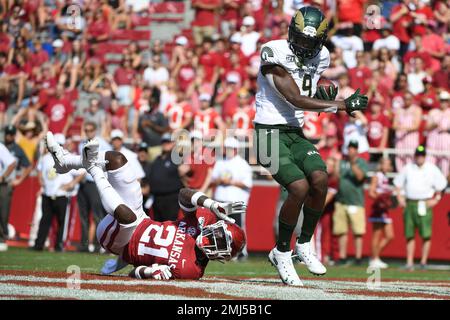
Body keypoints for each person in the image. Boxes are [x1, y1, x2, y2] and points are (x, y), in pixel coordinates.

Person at [254, 6, 368, 286]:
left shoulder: (323, 56)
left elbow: (305, 91)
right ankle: (282, 251)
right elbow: (293, 97)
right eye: (300, 39)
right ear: (291, 32)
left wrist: (321, 93)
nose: (305, 45)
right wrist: (340, 104)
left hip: (295, 131)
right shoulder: (273, 50)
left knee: (319, 179)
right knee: (298, 187)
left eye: (310, 41)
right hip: (267, 133)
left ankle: (304, 243)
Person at [44, 132, 246, 280]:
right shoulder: (204, 221)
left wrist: (150, 271)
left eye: (220, 241)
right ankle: (66, 161)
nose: (213, 236)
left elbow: (136, 272)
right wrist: (210, 203)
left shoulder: (190, 270)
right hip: (141, 219)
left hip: (121, 242)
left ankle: (92, 169)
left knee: (127, 217)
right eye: (218, 232)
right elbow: (184, 195)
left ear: (224, 255)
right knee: (117, 160)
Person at [394, 145, 447, 270]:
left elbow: (442, 185)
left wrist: (436, 199)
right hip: (410, 203)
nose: (420, 157)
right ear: (415, 155)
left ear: (425, 156)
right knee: (409, 234)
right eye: (418, 155)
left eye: (422, 155)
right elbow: (397, 183)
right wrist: (400, 198)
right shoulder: (408, 168)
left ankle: (423, 261)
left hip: (425, 203)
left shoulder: (431, 169)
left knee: (426, 234)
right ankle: (409, 262)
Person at [33, 134, 83, 252]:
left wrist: (70, 184)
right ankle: (39, 244)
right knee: (45, 220)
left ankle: (59, 245)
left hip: (61, 195)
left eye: (59, 145)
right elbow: (39, 170)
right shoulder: (45, 158)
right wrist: (41, 181)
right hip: (47, 193)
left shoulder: (67, 157)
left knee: (62, 222)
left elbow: (82, 171)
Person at [210, 137, 253, 258]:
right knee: (219, 227)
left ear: (235, 150)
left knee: (237, 227)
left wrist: (230, 182)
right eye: (227, 148)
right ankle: (221, 251)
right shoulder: (220, 162)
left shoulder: (242, 164)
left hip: (236, 200)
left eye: (231, 149)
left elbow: (247, 183)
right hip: (220, 199)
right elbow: (212, 180)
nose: (228, 151)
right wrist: (220, 180)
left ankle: (240, 252)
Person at [77, 121, 111, 252]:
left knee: (97, 215)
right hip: (84, 183)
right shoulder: (82, 144)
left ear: (95, 131)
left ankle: (99, 245)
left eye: (90, 130)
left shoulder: (102, 144)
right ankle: (84, 244)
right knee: (83, 216)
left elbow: (108, 161)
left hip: (95, 182)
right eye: (86, 130)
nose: (88, 133)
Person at [333, 140, 368, 266]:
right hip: (341, 201)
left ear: (357, 150)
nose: (351, 150)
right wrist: (336, 163)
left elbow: (360, 177)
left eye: (353, 148)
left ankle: (358, 257)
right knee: (341, 230)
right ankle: (342, 256)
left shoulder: (361, 162)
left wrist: (353, 164)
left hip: (356, 202)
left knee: (358, 232)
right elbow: (336, 177)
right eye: (349, 148)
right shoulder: (342, 162)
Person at [148, 133, 190, 222]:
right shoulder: (157, 159)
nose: (166, 144)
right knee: (158, 225)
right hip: (157, 198)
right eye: (164, 142)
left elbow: (187, 169)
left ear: (173, 143)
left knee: (170, 224)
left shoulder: (177, 157)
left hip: (171, 199)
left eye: (168, 142)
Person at [368, 157, 394, 269]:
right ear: (381, 165)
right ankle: (374, 259)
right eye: (385, 164)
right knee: (376, 235)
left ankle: (374, 256)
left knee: (390, 236)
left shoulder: (385, 176)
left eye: (389, 164)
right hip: (378, 209)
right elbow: (371, 192)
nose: (387, 166)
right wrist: (380, 199)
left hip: (384, 209)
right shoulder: (377, 176)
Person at [0, 141, 17, 251]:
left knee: (2, 213)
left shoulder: (0, 147)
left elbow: (12, 163)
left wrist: (3, 177)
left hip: (1, 185)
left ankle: (1, 239)